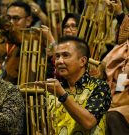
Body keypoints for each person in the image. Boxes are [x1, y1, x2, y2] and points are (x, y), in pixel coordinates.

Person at [36, 36, 111, 134]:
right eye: (57, 56)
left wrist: (62, 95)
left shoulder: (100, 87)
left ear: (82, 61)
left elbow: (88, 122)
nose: (59, 61)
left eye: (65, 55)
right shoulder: (51, 90)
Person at [99, 0, 129, 134]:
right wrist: (119, 13)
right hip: (117, 93)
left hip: (122, 102)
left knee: (112, 115)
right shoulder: (120, 50)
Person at [0, 1, 33, 84]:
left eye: (16, 18)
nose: (11, 22)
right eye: (8, 18)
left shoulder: (33, 40)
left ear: (28, 20)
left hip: (21, 92)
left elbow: (15, 35)